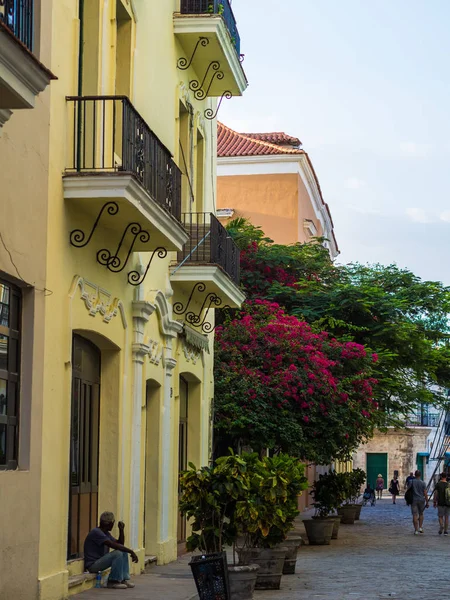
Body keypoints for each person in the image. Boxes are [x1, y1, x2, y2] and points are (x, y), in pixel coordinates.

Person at [84, 511, 138, 589]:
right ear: (109, 523)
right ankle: (113, 581)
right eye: (113, 523)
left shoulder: (105, 533)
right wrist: (131, 551)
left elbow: (120, 544)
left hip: (100, 562)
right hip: (93, 565)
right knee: (118, 553)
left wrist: (121, 530)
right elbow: (114, 545)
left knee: (122, 552)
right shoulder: (96, 532)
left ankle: (123, 579)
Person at [407, 470, 429, 535]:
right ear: (420, 475)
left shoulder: (411, 482)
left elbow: (408, 490)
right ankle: (420, 527)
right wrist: (427, 502)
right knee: (421, 514)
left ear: (415, 475)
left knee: (414, 515)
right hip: (421, 500)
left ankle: (416, 530)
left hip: (414, 500)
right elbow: (425, 493)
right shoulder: (423, 483)